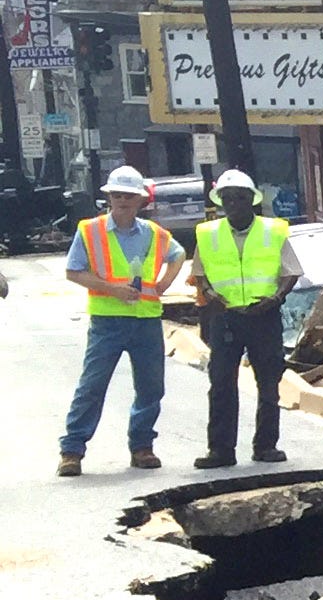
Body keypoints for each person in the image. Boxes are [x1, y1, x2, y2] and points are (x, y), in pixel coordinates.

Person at [59, 168, 179, 476]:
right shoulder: (90, 230)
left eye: (128, 196)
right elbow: (74, 271)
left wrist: (163, 284)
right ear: (109, 198)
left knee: (151, 388)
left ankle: (142, 447)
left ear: (140, 200)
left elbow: (177, 255)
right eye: (117, 195)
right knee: (93, 385)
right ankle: (72, 450)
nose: (122, 201)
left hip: (146, 321)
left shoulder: (153, 233)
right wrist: (113, 289)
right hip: (108, 321)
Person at [190, 167, 302, 469]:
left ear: (251, 200)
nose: (233, 204)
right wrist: (210, 294)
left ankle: (266, 446)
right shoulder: (209, 234)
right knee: (222, 384)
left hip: (263, 316)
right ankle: (221, 450)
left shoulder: (271, 231)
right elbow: (199, 274)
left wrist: (276, 298)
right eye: (227, 198)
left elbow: (290, 271)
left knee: (268, 384)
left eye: (239, 198)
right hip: (225, 319)